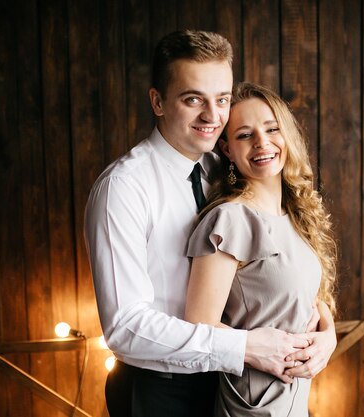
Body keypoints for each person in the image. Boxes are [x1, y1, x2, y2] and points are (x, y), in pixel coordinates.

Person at [84, 30, 335, 417]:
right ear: (158, 102)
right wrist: (245, 347)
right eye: (192, 99)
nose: (213, 116)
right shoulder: (124, 187)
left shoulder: (228, 168)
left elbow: (280, 270)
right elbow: (125, 327)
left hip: (226, 384)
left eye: (221, 99)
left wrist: (326, 335)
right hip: (159, 393)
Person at [184, 82, 338, 416]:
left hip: (295, 402)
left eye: (272, 129)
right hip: (254, 405)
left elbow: (303, 297)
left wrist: (329, 334)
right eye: (244, 135)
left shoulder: (296, 214)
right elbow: (199, 322)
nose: (262, 143)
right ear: (226, 149)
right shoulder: (230, 220)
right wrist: (254, 347)